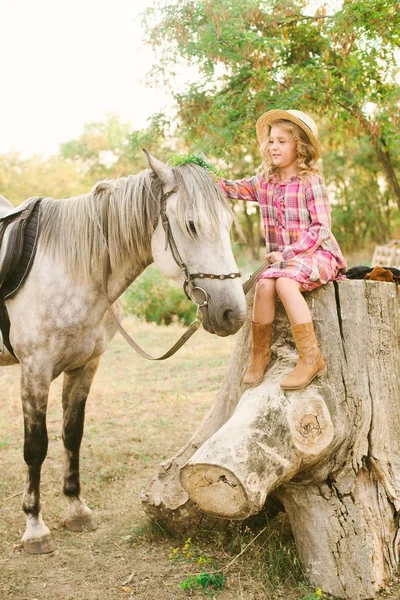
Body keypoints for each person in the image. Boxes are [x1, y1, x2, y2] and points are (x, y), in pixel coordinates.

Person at [219, 109, 347, 390]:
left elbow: (321, 228)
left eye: (282, 141)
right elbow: (231, 188)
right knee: (264, 286)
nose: (274, 146)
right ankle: (259, 356)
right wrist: (199, 175)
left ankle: (311, 357)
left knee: (285, 285)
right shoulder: (264, 181)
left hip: (317, 254)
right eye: (271, 141)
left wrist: (287, 254)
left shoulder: (311, 182)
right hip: (283, 262)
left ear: (299, 146)